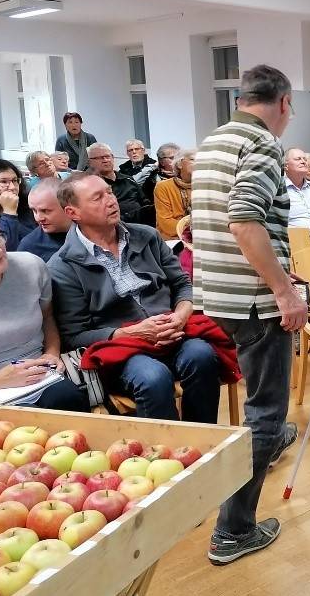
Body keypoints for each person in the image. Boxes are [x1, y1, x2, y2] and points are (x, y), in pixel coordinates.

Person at [192, 64, 307, 566]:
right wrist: (284, 292)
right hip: (256, 300)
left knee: (264, 407)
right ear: (282, 103)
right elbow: (243, 221)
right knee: (265, 412)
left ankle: (270, 440)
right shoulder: (263, 145)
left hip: (220, 294)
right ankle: (232, 531)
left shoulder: (214, 140)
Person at [48, 172, 222, 423]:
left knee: (202, 356)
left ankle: (205, 442)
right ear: (73, 212)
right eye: (97, 198)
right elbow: (74, 335)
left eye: (109, 192)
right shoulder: (63, 265)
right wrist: (134, 333)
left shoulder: (146, 236)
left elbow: (183, 284)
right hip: (120, 348)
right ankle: (164, 457)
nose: (111, 200)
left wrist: (181, 315)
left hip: (172, 330)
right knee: (153, 377)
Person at [0, 206, 88, 423]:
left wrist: (51, 352)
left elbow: (47, 318)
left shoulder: (30, 266)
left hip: (36, 372)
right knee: (10, 424)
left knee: (68, 400)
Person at [86, 142, 155, 226]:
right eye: (99, 158)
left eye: (107, 156)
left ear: (112, 157)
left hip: (144, 224)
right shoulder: (91, 186)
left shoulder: (128, 179)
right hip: (117, 227)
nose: (105, 160)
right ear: (90, 162)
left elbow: (145, 202)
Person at [17, 178, 72, 262]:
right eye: (34, 211)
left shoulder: (91, 229)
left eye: (45, 211)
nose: (38, 218)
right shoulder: (30, 247)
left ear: (66, 206)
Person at [154, 148, 195, 239]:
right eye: (192, 159)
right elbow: (165, 223)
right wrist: (192, 226)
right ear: (179, 164)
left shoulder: (204, 187)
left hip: (199, 237)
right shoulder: (163, 187)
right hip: (172, 239)